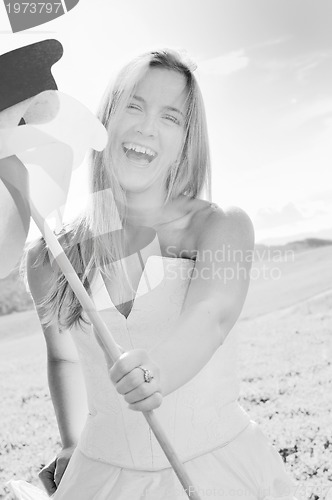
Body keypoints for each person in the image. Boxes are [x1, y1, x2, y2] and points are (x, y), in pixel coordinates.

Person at [10, 49, 297, 500]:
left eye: (170, 117)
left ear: (187, 141)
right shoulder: (52, 256)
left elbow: (212, 313)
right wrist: (69, 441)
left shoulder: (218, 225)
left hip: (215, 464)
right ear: (104, 119)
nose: (146, 126)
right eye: (134, 105)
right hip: (99, 474)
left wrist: (157, 370)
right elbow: (64, 357)